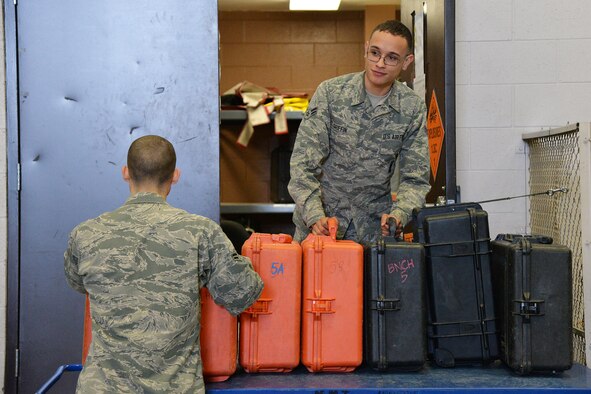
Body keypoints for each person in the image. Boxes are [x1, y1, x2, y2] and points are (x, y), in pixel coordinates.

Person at [64, 135, 263, 393]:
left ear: (125, 173)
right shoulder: (200, 232)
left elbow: (78, 284)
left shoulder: (86, 234)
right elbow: (242, 293)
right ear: (175, 175)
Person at [288, 19, 431, 244]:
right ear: (366, 49)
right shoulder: (331, 94)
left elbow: (416, 179)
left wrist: (399, 214)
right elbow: (302, 165)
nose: (380, 63)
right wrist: (314, 215)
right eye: (375, 53)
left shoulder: (412, 108)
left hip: (374, 234)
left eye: (391, 57)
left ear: (406, 62)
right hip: (320, 228)